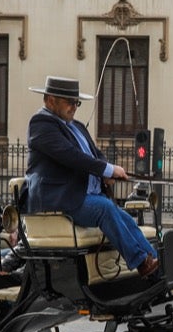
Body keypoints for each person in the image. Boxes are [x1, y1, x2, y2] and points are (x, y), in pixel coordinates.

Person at [25, 76, 159, 278]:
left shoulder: (76, 126)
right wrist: (106, 170)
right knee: (105, 209)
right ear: (50, 100)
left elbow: (95, 154)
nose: (74, 107)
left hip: (85, 197)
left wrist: (107, 173)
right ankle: (140, 262)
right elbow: (70, 156)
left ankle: (156, 263)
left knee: (125, 219)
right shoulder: (41, 124)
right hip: (60, 198)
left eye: (77, 102)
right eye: (69, 102)